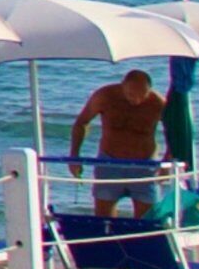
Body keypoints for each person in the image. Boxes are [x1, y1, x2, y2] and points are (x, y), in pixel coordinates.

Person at [69, 68, 171, 217]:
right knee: (104, 220)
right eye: (131, 94)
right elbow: (81, 123)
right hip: (109, 162)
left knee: (147, 221)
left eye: (142, 96)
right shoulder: (105, 96)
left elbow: (174, 134)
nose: (136, 100)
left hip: (144, 166)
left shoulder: (158, 104)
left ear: (149, 90)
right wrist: (74, 157)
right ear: (123, 85)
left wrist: (166, 163)